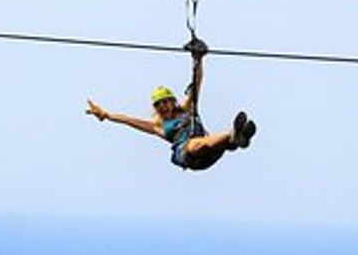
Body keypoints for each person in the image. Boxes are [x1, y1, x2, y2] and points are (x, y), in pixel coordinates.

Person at [85, 49, 256, 171]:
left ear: (173, 102)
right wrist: (106, 115)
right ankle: (232, 135)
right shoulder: (158, 126)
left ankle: (235, 139)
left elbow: (197, 83)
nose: (163, 107)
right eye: (159, 105)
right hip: (188, 155)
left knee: (210, 144)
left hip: (207, 157)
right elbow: (129, 120)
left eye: (166, 102)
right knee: (198, 143)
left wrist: (199, 59)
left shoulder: (188, 109)